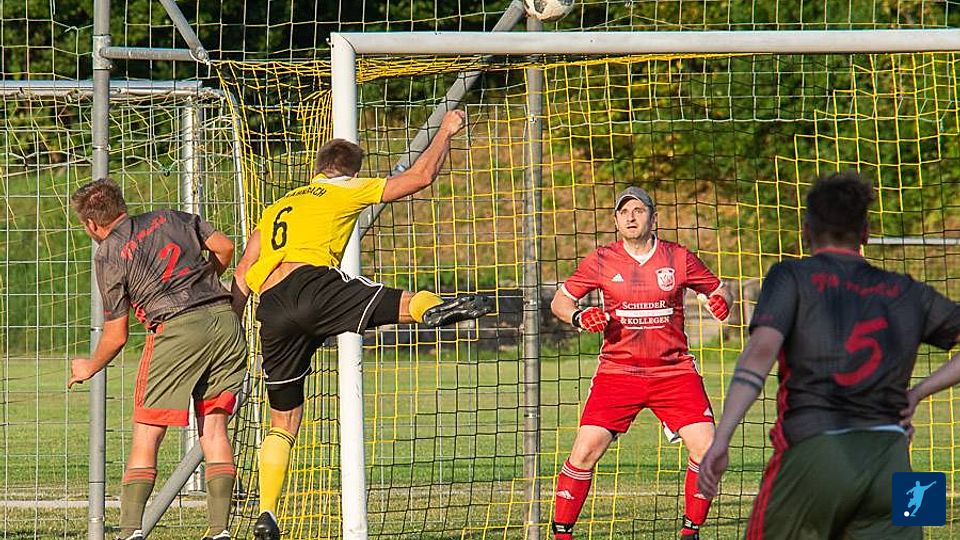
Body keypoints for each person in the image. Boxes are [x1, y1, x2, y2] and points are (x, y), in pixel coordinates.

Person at [231, 109, 494, 540]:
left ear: (317, 169)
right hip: (312, 284)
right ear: (350, 173)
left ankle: (267, 511)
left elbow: (243, 271)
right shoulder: (344, 188)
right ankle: (431, 307)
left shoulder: (278, 206)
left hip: (272, 308)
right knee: (382, 297)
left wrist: (233, 326)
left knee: (283, 420)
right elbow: (420, 177)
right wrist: (446, 130)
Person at [698, 172, 960, 539]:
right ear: (866, 232)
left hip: (814, 452)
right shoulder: (907, 290)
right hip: (894, 458)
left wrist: (721, 439)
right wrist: (916, 393)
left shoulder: (790, 276)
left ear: (807, 231)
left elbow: (759, 354)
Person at [68, 178, 247, 540]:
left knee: (147, 433)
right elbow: (226, 247)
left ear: (91, 224)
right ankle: (219, 530)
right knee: (214, 429)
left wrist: (90, 365)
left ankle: (130, 531)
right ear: (121, 205)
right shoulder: (170, 217)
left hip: (176, 330)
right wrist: (201, 281)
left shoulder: (108, 254)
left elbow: (116, 335)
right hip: (224, 322)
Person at [549, 186, 731, 540]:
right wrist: (578, 317)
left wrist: (723, 302)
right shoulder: (602, 259)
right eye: (624, 212)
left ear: (653, 217)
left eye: (638, 211)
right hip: (618, 373)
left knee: (709, 449)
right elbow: (561, 301)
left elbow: (719, 289)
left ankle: (690, 532)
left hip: (673, 372)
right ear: (616, 220)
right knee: (584, 451)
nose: (631, 218)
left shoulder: (678, 257)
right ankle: (562, 534)